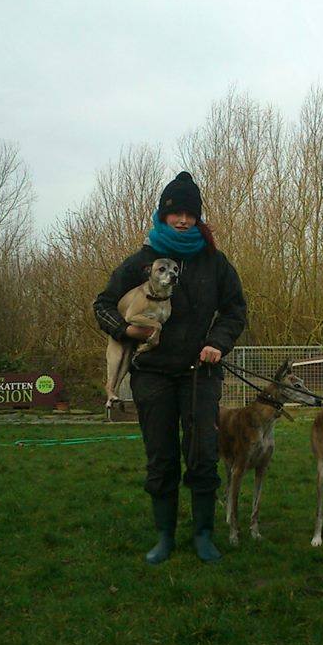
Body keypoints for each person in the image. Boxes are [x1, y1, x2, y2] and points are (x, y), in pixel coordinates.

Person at [93, 171, 247, 564]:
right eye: (175, 213)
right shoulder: (141, 262)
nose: (182, 220)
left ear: (197, 218)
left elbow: (234, 310)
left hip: (201, 373)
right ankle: (164, 536)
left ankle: (203, 534)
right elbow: (103, 304)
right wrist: (124, 329)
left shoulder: (215, 262)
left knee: (202, 454)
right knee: (160, 456)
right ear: (162, 216)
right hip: (152, 375)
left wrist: (217, 343)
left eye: (189, 214)